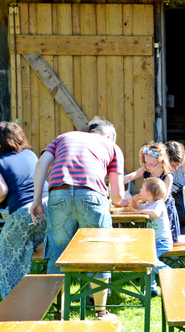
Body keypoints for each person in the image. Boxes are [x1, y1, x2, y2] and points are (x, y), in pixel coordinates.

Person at [30, 116, 125, 322]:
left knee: (57, 253)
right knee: (99, 253)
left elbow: (41, 164)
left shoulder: (63, 137)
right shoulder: (111, 146)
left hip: (58, 193)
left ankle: (58, 313)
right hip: (93, 195)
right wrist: (120, 201)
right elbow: (117, 195)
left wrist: (37, 199)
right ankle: (100, 312)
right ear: (109, 136)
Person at [0, 122, 48, 299]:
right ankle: (48, 291)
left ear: (0, 139)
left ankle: (14, 301)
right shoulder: (30, 154)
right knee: (38, 245)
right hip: (49, 206)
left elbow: (1, 191)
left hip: (24, 212)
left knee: (6, 254)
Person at [121, 142, 181, 244]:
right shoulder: (145, 170)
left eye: (151, 164)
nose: (147, 166)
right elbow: (128, 177)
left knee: (171, 239)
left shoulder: (167, 176)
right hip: (149, 208)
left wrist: (145, 197)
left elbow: (164, 197)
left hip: (164, 210)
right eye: (145, 162)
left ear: (161, 162)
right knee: (151, 237)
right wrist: (114, 182)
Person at [130, 177, 172, 297]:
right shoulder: (148, 204)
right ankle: (152, 288)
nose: (139, 189)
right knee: (148, 258)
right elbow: (137, 208)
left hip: (162, 241)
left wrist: (141, 212)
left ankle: (169, 273)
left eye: (142, 188)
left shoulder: (159, 204)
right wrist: (135, 202)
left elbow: (156, 213)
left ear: (148, 193)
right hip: (153, 242)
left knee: (150, 260)